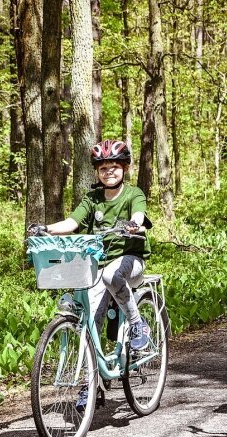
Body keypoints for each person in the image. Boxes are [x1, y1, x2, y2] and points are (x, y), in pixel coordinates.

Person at [28, 139, 152, 388]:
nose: (109, 172)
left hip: (131, 261)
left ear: (124, 168)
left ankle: (138, 325)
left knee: (110, 276)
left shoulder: (132, 194)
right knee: (89, 319)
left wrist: (134, 224)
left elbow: (138, 214)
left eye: (114, 167)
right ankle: (91, 383)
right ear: (97, 171)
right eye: (103, 168)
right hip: (98, 265)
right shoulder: (92, 198)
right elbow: (73, 222)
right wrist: (46, 229)